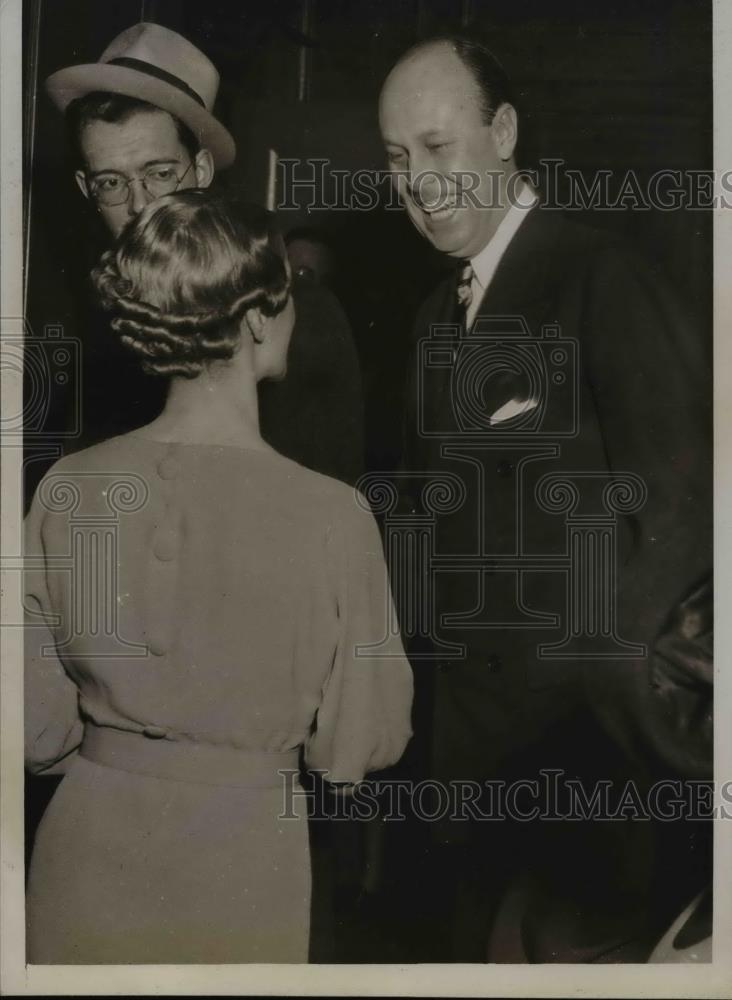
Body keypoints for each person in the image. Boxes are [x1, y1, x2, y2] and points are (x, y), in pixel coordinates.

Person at [378, 34, 711, 961]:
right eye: (398, 160)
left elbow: (691, 543)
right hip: (471, 786)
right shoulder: (431, 317)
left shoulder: (605, 278)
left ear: (506, 133)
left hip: (594, 800)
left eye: (438, 149)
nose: (419, 182)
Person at [23, 190, 413, 964]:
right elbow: (357, 740)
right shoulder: (331, 516)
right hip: (242, 850)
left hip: (85, 837)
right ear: (260, 320)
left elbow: (33, 724)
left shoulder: (69, 488)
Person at [44, 21, 364, 485]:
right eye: (111, 183)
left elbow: (329, 509)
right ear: (85, 189)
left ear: (202, 169)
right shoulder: (89, 324)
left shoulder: (295, 313)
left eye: (159, 173)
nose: (139, 206)